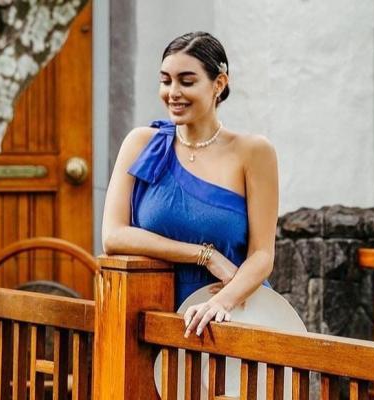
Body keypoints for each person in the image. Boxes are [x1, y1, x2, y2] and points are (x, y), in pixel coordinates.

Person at [101, 31, 278, 339]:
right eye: (165, 80)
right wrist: (205, 255)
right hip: (152, 312)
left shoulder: (254, 152)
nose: (173, 92)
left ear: (219, 84)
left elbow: (262, 254)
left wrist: (220, 302)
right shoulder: (140, 143)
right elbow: (113, 236)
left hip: (231, 314)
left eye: (186, 81)